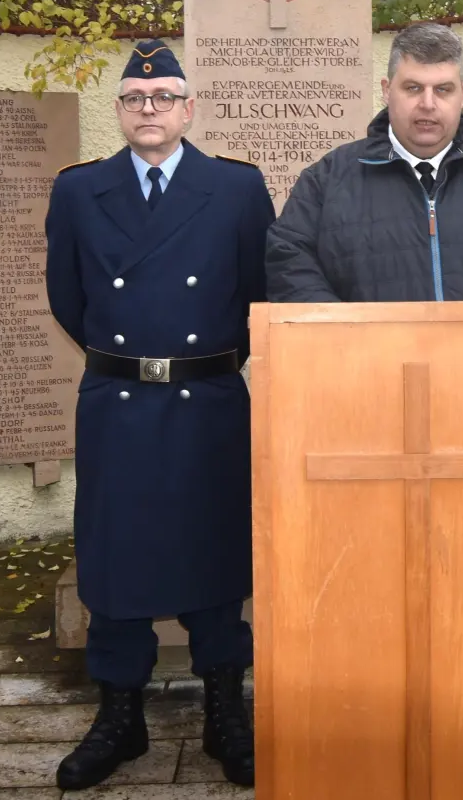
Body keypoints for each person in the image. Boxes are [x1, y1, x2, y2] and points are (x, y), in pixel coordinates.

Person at [44, 39, 273, 790]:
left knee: (214, 550)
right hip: (116, 400)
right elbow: (67, 300)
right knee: (114, 556)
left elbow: (255, 296)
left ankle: (224, 708)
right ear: (119, 111)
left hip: (206, 401)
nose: (151, 110)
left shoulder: (236, 189)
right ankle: (120, 715)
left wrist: (199, 364)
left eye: (166, 97)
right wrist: (131, 360)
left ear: (189, 109)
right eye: (137, 99)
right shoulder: (80, 191)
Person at [264, 21, 463, 311]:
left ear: (462, 95)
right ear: (386, 90)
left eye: (443, 90)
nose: (428, 104)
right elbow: (288, 262)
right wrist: (345, 339)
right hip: (368, 375)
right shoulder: (328, 178)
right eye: (413, 88)